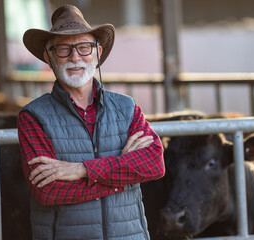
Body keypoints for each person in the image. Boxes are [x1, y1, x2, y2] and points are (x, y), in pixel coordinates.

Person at [18, 4, 165, 240]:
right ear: (49, 57)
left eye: (84, 47)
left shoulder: (127, 108)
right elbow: (49, 190)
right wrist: (123, 175)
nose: (75, 57)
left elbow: (154, 164)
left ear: (97, 53)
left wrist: (81, 170)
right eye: (63, 49)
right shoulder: (33, 116)